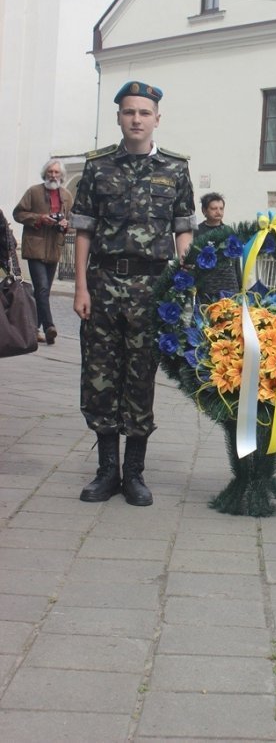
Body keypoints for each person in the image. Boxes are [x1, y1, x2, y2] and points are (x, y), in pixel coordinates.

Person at [71, 81, 196, 507]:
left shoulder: (176, 170)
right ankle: (107, 471)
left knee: (141, 377)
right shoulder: (98, 167)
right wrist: (81, 287)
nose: (136, 119)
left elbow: (183, 230)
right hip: (103, 285)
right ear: (119, 117)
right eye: (129, 112)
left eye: (144, 113)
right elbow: (83, 230)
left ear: (157, 119)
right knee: (100, 377)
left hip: (152, 288)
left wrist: (183, 284)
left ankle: (135, 473)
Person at [13, 159, 73, 345]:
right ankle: (49, 326)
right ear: (45, 174)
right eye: (50, 172)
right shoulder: (34, 192)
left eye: (56, 173)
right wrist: (39, 218)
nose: (53, 175)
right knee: (42, 287)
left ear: (61, 176)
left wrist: (65, 225)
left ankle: (33, 329)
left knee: (43, 292)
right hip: (35, 247)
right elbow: (18, 213)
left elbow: (72, 222)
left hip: (54, 248)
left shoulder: (67, 196)